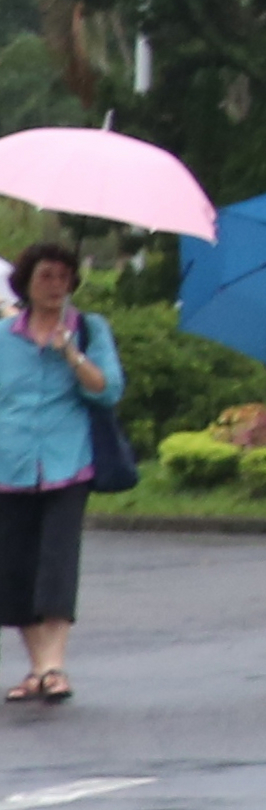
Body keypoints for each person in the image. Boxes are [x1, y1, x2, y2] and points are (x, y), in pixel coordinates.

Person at [0, 242, 123, 709]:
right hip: (9, 464)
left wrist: (71, 354)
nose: (55, 285)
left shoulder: (89, 329)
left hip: (67, 463)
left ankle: (54, 667)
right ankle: (37, 669)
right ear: (26, 283)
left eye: (63, 277)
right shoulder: (4, 337)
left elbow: (108, 390)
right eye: (46, 276)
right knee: (15, 570)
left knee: (56, 564)